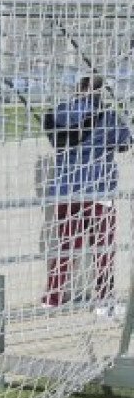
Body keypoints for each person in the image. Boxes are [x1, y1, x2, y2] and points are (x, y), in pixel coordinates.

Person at [42, 73, 130, 314]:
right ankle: (104, 301)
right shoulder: (107, 116)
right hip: (98, 189)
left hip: (65, 191)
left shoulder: (57, 114)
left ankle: (51, 298)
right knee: (102, 248)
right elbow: (125, 143)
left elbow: (54, 139)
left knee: (67, 246)